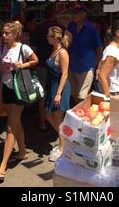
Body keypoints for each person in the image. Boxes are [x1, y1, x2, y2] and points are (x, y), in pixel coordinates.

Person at [0, 21, 38, 182]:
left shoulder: (23, 48)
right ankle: (22, 152)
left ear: (15, 34)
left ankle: (3, 165)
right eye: (3, 33)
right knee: (16, 121)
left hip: (19, 88)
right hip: (7, 87)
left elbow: (36, 60)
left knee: (10, 126)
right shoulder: (3, 48)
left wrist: (23, 64)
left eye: (7, 33)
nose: (3, 35)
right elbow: (2, 70)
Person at [33, 6, 64, 131]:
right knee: (55, 92)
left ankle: (42, 122)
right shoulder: (60, 27)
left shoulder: (39, 28)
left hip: (41, 64)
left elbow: (34, 47)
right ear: (54, 13)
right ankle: (57, 122)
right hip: (56, 66)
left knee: (42, 94)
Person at [68, 4, 103, 106]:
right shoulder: (71, 25)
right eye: (73, 12)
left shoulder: (91, 28)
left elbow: (99, 47)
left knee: (82, 96)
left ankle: (81, 115)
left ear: (83, 14)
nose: (73, 15)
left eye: (76, 13)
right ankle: (78, 113)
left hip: (86, 66)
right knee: (74, 94)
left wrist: (99, 66)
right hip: (72, 65)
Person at [45, 27, 70, 162]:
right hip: (51, 86)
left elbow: (65, 73)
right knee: (48, 114)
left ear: (55, 37)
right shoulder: (54, 50)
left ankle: (62, 147)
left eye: (49, 36)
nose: (47, 38)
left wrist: (59, 93)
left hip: (59, 88)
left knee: (58, 118)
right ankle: (65, 138)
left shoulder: (63, 53)